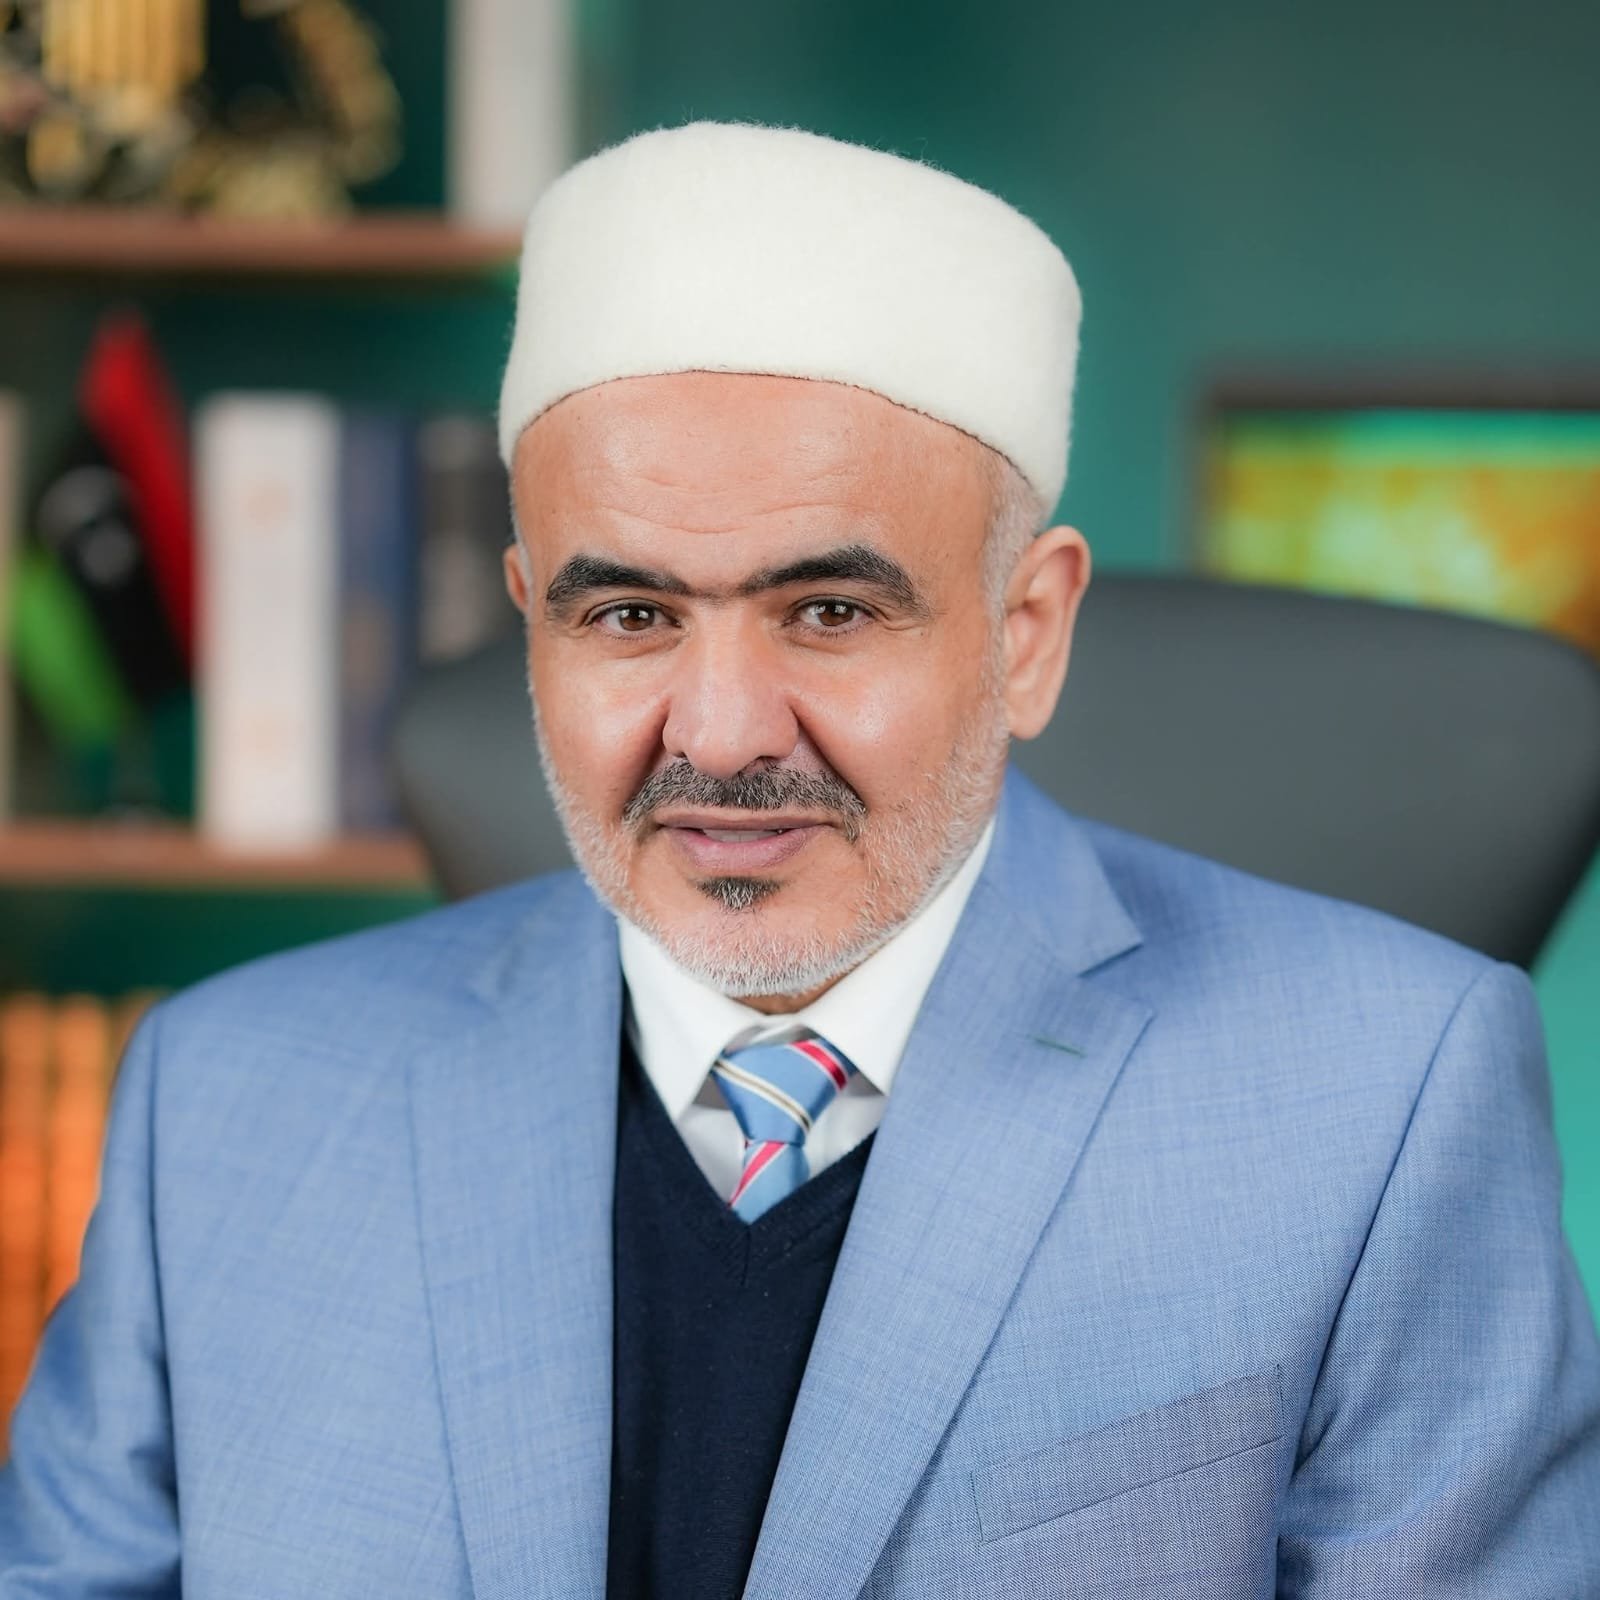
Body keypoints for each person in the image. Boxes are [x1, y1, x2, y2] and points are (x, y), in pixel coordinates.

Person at [3, 121, 1598, 1599]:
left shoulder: (1384, 1104)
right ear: (530, 618)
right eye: (629, 614)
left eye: (829, 611)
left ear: (1026, 633)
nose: (720, 732)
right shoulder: (222, 1108)